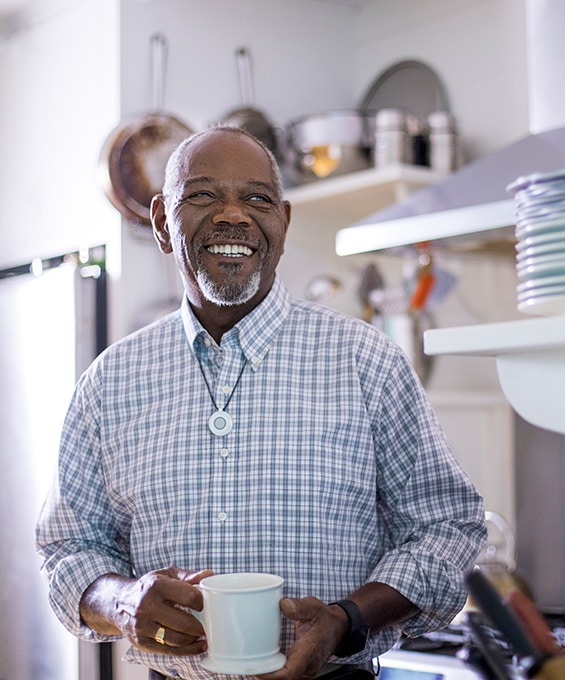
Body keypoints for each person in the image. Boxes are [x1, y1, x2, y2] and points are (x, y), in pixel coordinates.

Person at [36, 126, 486, 680]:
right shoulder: (111, 380)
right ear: (160, 223)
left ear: (283, 221)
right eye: (202, 195)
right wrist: (121, 601)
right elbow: (69, 549)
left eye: (257, 199)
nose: (234, 216)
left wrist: (346, 620)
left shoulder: (366, 361)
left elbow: (447, 530)